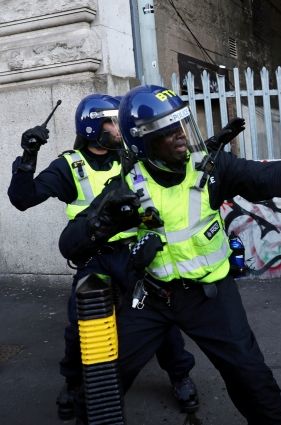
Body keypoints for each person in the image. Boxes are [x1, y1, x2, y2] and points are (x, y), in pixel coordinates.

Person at [57, 84, 281, 424]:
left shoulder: (212, 169)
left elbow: (272, 177)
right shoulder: (125, 185)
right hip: (152, 298)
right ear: (143, 141)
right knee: (101, 385)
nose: (181, 136)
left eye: (181, 126)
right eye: (168, 132)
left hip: (210, 297)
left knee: (252, 380)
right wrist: (104, 220)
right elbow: (70, 244)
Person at [7, 94, 199, 418]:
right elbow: (22, 198)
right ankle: (72, 383)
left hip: (133, 253)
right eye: (112, 121)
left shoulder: (131, 157)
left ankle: (180, 375)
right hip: (94, 254)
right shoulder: (70, 165)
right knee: (79, 324)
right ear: (94, 126)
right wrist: (28, 155)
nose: (119, 127)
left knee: (160, 314)